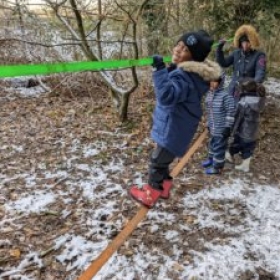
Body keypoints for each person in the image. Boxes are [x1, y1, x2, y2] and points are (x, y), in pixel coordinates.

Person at [129, 30, 222, 208]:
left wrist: (159, 70)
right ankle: (164, 187)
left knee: (157, 161)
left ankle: (150, 194)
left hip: (172, 128)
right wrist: (170, 69)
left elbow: (166, 96)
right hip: (177, 127)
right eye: (179, 44)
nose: (178, 50)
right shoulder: (191, 74)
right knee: (162, 160)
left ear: (193, 58)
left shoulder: (184, 76)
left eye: (185, 49)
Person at [216, 25, 266, 101]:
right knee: (230, 111)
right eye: (243, 42)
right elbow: (224, 63)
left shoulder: (259, 55)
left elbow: (260, 72)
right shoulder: (236, 53)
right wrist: (219, 49)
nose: (245, 45)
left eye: (247, 42)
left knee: (246, 111)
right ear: (240, 42)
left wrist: (253, 84)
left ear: (252, 42)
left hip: (249, 92)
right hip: (233, 90)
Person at [226, 77, 266, 172]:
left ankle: (227, 159)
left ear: (244, 90)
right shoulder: (259, 99)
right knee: (248, 148)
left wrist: (232, 129)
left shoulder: (244, 102)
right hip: (253, 132)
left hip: (243, 130)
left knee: (234, 145)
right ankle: (245, 166)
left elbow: (238, 118)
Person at [202, 72, 235, 174]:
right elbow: (209, 111)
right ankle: (211, 159)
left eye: (215, 81)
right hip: (213, 127)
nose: (212, 83)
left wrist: (228, 127)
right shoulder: (209, 95)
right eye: (210, 81)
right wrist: (208, 123)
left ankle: (217, 167)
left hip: (222, 128)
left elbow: (231, 111)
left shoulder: (225, 97)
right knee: (212, 144)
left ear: (220, 82)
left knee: (219, 148)